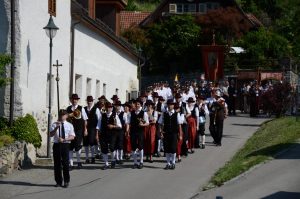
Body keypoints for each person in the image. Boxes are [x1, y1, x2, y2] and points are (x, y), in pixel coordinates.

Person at [50, 109, 75, 188]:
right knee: (57, 164)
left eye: (63, 114)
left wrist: (64, 139)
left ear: (66, 116)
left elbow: (72, 136)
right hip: (57, 145)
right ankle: (58, 181)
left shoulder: (69, 125)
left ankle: (66, 181)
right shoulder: (54, 124)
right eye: (60, 115)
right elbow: (50, 134)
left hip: (65, 145)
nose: (62, 116)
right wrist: (56, 128)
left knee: (65, 164)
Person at [158, 99, 182, 170]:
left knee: (173, 148)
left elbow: (179, 124)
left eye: (171, 104)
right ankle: (168, 163)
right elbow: (160, 123)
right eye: (168, 104)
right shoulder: (164, 114)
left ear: (173, 105)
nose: (170, 106)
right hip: (166, 133)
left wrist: (180, 134)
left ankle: (173, 162)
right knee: (167, 149)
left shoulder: (176, 114)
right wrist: (161, 132)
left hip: (174, 133)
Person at [67, 94, 88, 169]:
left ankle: (79, 162)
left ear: (77, 100)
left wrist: (85, 130)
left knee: (78, 146)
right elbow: (65, 119)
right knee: (70, 147)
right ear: (71, 100)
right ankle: (71, 164)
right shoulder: (68, 108)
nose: (74, 100)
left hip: (79, 129)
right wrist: (68, 115)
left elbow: (85, 119)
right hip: (70, 130)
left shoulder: (81, 108)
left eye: (75, 99)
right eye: (73, 99)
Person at [100, 102, 122, 170]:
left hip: (113, 134)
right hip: (104, 134)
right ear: (105, 108)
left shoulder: (115, 115)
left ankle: (113, 160)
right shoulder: (102, 115)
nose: (109, 108)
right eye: (108, 107)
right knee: (104, 148)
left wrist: (113, 126)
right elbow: (98, 125)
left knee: (112, 148)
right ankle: (106, 164)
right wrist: (97, 134)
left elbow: (120, 126)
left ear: (112, 108)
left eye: (110, 107)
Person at [129, 99, 149, 169]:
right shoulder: (132, 113)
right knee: (133, 147)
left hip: (140, 131)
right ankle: (135, 162)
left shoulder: (144, 113)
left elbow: (147, 123)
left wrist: (142, 125)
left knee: (140, 146)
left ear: (140, 105)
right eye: (136, 104)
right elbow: (129, 123)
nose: (137, 105)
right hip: (133, 131)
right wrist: (128, 131)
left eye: (138, 104)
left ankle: (141, 162)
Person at [83, 96, 101, 164]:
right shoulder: (84, 109)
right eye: (88, 101)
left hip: (93, 128)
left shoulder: (96, 109)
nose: (89, 102)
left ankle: (93, 157)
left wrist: (98, 129)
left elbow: (99, 119)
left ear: (92, 101)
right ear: (87, 101)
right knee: (86, 143)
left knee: (92, 142)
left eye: (90, 101)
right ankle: (87, 158)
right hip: (85, 128)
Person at [114, 100, 129, 165]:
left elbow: (127, 123)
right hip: (114, 131)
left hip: (121, 131)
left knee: (120, 144)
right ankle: (116, 158)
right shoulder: (113, 113)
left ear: (120, 107)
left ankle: (120, 158)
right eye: (116, 106)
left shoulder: (124, 113)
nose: (117, 107)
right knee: (115, 145)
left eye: (119, 106)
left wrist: (126, 131)